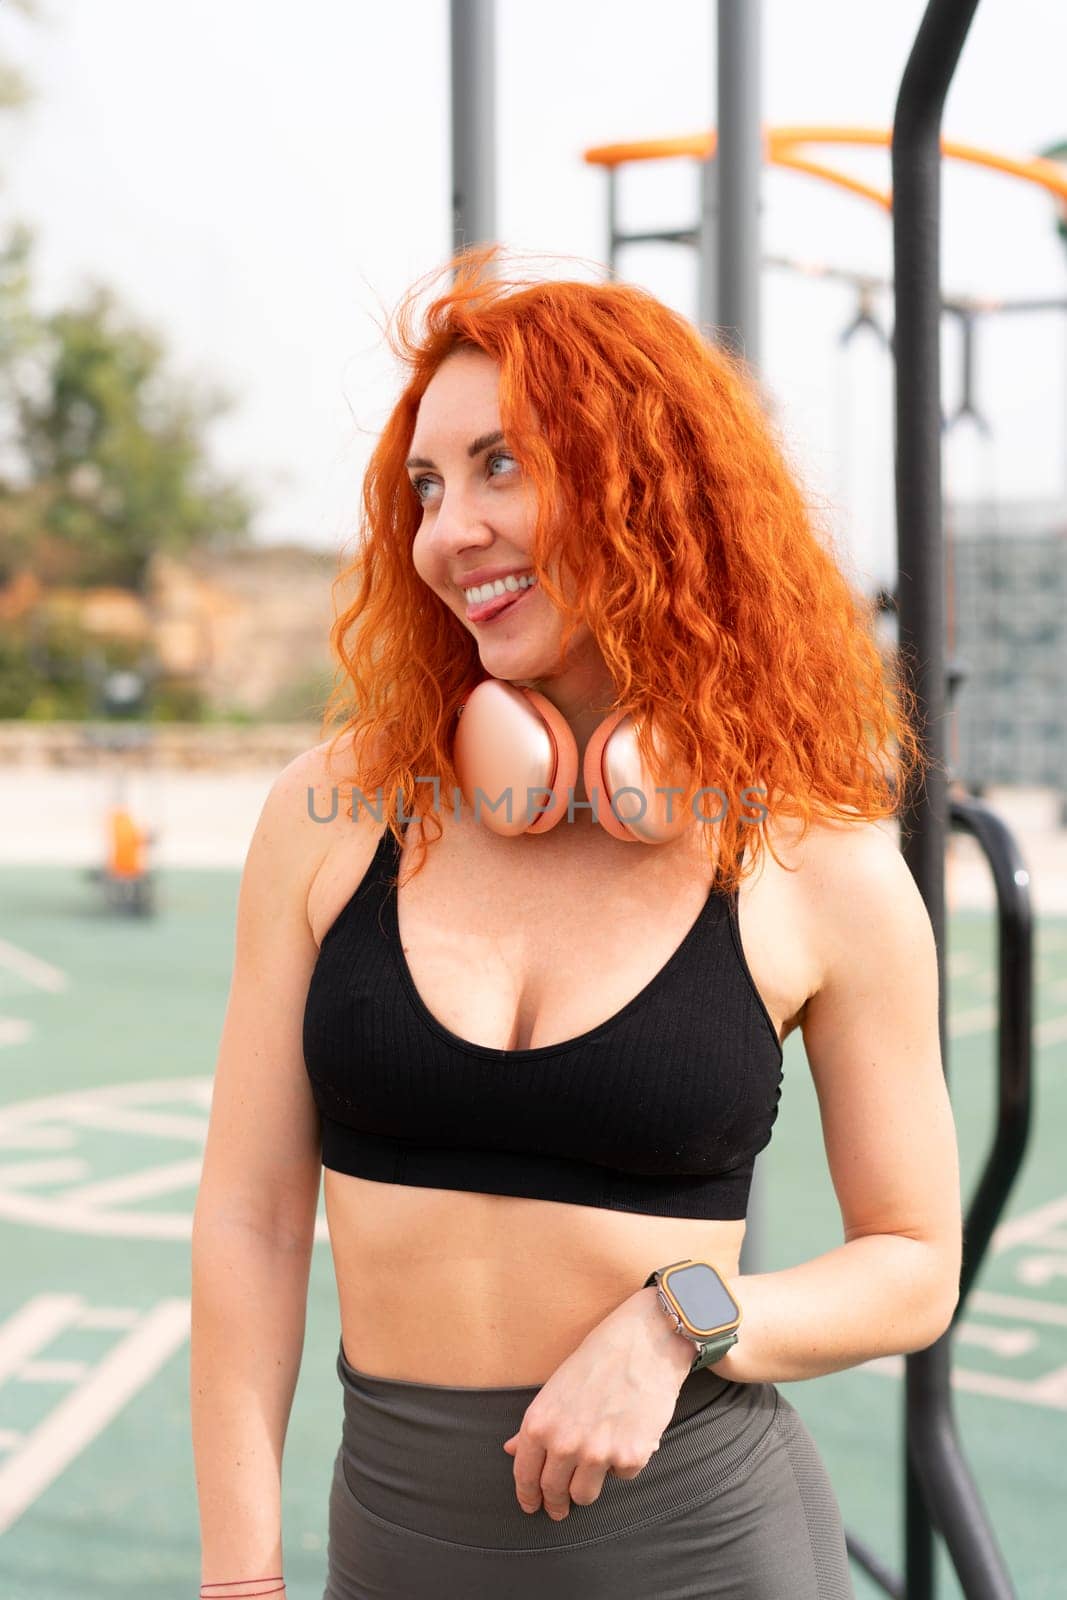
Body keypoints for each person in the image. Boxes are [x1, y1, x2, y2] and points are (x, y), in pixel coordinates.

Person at [190, 245, 963, 1600]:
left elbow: (914, 1262)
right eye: (428, 487)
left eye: (504, 465)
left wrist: (685, 1322)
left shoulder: (815, 856)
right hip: (397, 1554)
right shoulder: (335, 816)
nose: (448, 531)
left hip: (706, 1551)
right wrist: (238, 1575)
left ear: (648, 486)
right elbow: (252, 1219)